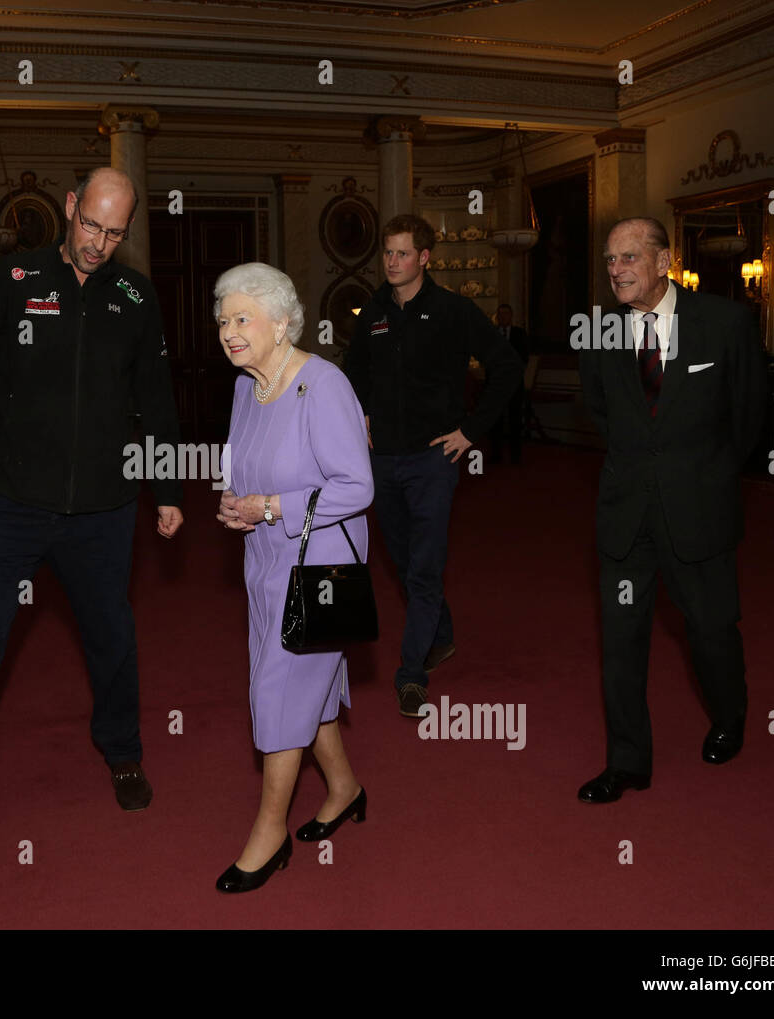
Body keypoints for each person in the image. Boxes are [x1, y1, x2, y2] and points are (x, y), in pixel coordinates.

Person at [0, 167, 184, 854]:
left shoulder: (136, 296)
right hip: (11, 504)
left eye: (114, 233)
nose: (98, 244)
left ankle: (123, 750)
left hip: (103, 511)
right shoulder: (14, 279)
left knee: (111, 639)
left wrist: (166, 489)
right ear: (71, 207)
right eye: (90, 225)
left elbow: (157, 399)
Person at [576, 217, 766, 803]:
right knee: (621, 642)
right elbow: (601, 414)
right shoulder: (598, 330)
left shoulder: (724, 322)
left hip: (698, 512)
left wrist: (702, 477)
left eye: (629, 258)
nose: (616, 270)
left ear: (664, 261)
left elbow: (751, 421)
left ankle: (730, 714)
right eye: (610, 259)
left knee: (711, 632)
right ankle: (628, 761)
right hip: (626, 516)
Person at [214, 263, 373, 893]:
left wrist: (270, 507)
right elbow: (251, 468)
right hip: (264, 557)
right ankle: (344, 787)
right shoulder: (246, 388)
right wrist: (238, 501)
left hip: (319, 563)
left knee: (279, 686)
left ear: (283, 322)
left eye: (242, 318)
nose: (228, 331)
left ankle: (270, 831)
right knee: (303, 678)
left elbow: (357, 486)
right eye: (223, 320)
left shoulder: (323, 384)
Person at [344, 215, 521, 719]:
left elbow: (505, 367)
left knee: (423, 567)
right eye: (388, 253)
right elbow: (353, 373)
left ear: (425, 257)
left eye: (403, 253)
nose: (392, 262)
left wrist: (471, 430)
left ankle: (411, 674)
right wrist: (361, 417)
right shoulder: (372, 313)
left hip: (433, 460)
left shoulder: (453, 311)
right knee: (403, 563)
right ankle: (440, 636)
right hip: (380, 462)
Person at [488, 303, 530, 464]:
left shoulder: (519, 334)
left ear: (511, 316)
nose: (503, 317)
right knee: (495, 420)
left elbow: (524, 358)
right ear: (497, 317)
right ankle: (495, 454)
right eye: (500, 314)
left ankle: (515, 455)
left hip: (514, 384)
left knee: (515, 420)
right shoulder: (491, 334)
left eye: (506, 314)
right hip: (495, 384)